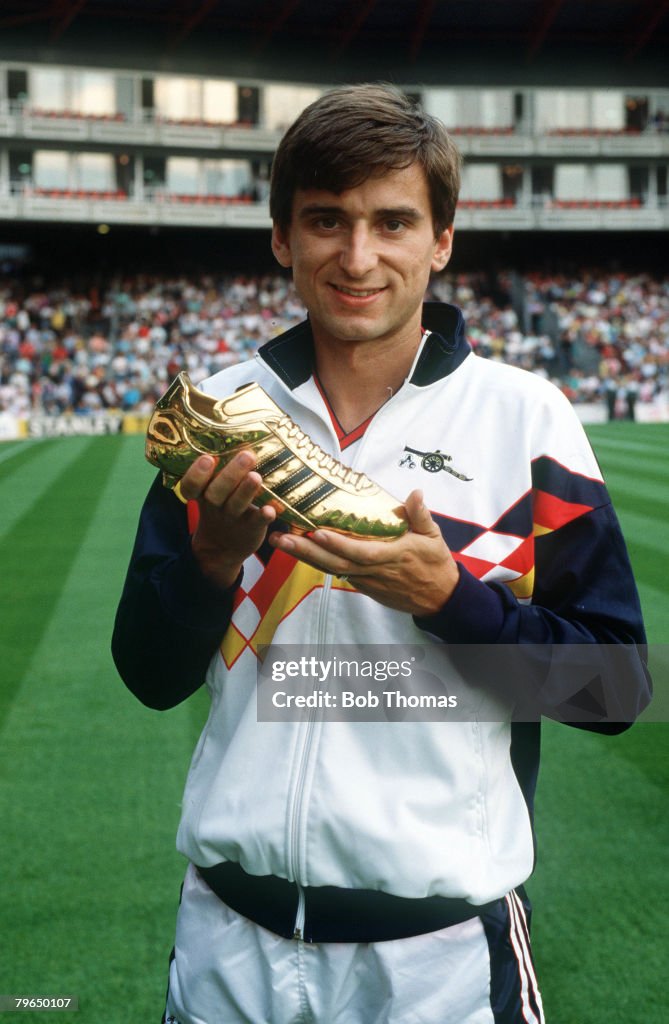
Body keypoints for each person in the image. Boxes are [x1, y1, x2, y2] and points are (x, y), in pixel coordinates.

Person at [112, 84, 651, 1024]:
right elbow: (148, 674)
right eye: (326, 221)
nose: (357, 257)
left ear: (441, 240)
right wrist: (209, 565)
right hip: (227, 947)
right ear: (282, 238)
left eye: (392, 222)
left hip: (437, 965)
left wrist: (453, 600)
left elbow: (613, 690)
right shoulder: (218, 416)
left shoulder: (524, 421)